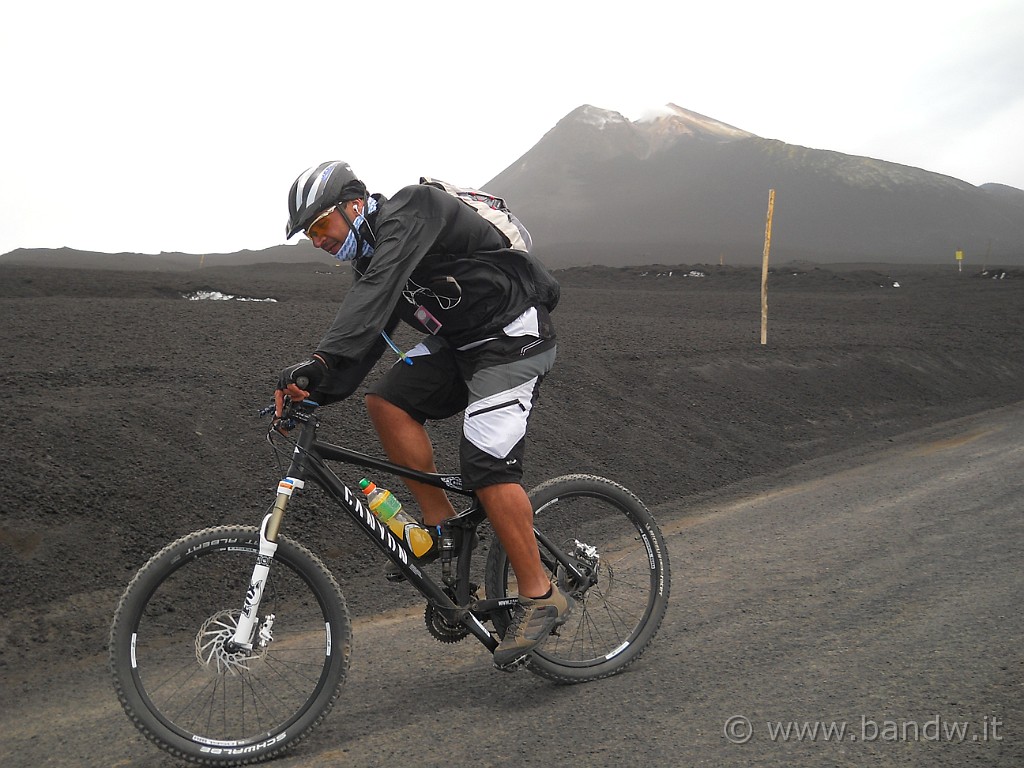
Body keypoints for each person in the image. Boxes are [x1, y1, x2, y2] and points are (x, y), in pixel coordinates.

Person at [276, 160, 571, 668]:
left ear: (354, 204)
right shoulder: (373, 259)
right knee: (386, 402)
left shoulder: (413, 208)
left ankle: (541, 593)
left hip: (513, 338)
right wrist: (315, 391)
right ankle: (442, 529)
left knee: (485, 464)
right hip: (460, 345)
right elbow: (368, 336)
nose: (318, 240)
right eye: (309, 235)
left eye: (321, 225)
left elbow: (371, 296)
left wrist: (319, 357)